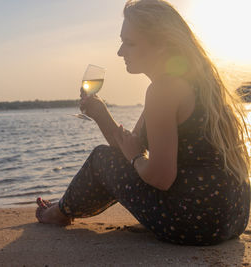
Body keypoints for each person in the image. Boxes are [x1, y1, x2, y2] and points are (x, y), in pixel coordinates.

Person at [35, 0, 251, 245]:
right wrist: (101, 114)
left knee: (100, 158)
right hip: (233, 217)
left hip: (195, 223)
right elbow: (130, 146)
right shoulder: (195, 81)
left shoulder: (163, 89)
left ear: (161, 45)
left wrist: (137, 157)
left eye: (130, 43)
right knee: (110, 158)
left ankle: (59, 213)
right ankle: (65, 207)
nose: (119, 52)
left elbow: (160, 176)